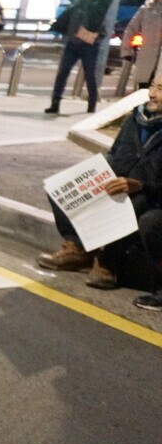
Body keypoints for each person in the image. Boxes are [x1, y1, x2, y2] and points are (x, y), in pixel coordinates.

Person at [37, 78, 162, 297]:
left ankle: (108, 262)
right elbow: (115, 154)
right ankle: (78, 248)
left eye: (160, 89)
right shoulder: (135, 118)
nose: (152, 94)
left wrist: (141, 185)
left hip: (149, 193)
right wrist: (97, 175)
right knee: (62, 189)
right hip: (120, 181)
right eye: (152, 86)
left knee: (135, 204)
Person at [47, 0, 114, 115]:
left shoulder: (100, 4)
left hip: (89, 45)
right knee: (62, 74)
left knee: (90, 75)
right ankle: (55, 104)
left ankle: (91, 105)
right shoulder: (78, 2)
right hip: (72, 43)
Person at [123, 0, 162, 90]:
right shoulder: (146, 9)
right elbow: (131, 29)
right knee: (144, 92)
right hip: (147, 58)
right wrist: (127, 51)